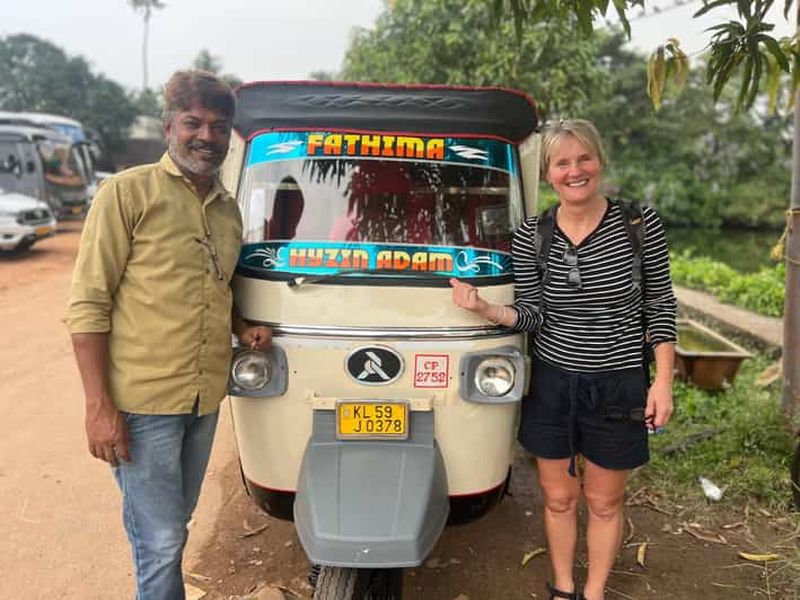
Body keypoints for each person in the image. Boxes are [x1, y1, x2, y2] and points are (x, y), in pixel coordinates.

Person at [64, 70, 271, 600]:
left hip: (202, 399)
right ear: (168, 126)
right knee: (158, 541)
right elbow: (88, 306)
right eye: (193, 123)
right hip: (143, 403)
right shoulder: (126, 193)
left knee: (174, 528)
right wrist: (97, 406)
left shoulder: (227, 210)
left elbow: (213, 287)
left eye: (219, 126)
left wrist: (243, 328)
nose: (206, 136)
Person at [450, 119, 676, 600]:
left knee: (603, 501)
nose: (575, 171)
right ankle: (563, 586)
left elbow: (659, 307)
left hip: (619, 384)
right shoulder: (533, 235)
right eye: (562, 163)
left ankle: (593, 593)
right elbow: (532, 315)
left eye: (584, 159)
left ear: (600, 161)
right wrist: (486, 309)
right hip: (553, 384)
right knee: (557, 497)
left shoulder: (639, 224)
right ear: (548, 174)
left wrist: (662, 383)